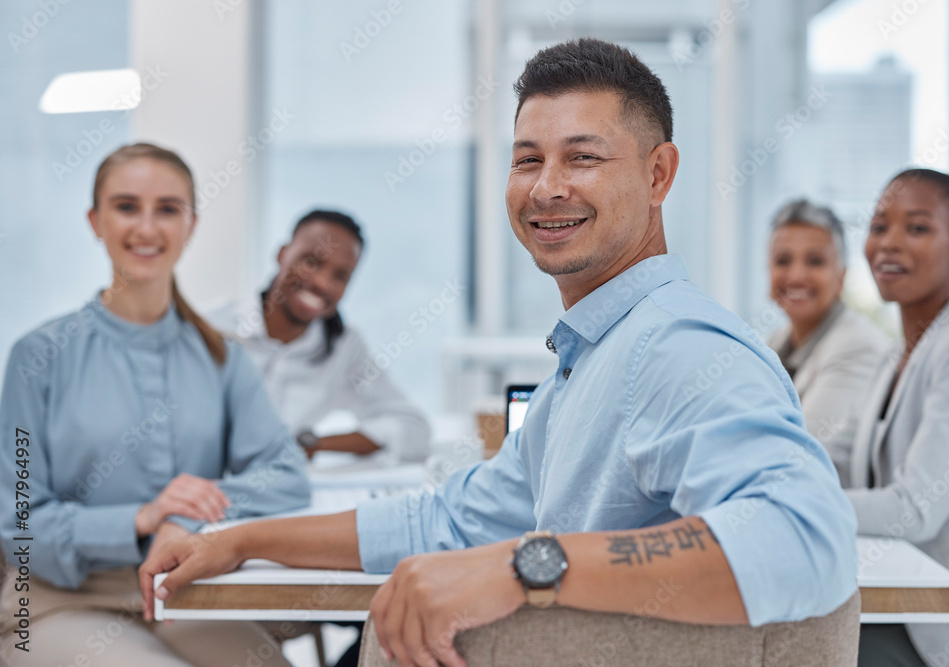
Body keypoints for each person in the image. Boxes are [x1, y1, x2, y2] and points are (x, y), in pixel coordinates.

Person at [140, 39, 858, 667]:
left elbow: (800, 536)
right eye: (527, 160)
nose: (547, 187)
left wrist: (526, 565)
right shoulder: (585, 366)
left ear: (658, 174)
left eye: (583, 157)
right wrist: (241, 538)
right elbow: (443, 521)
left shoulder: (677, 344)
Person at [0, 143, 310, 666]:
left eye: (167, 209)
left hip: (185, 596)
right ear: (95, 221)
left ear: (190, 225)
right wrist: (142, 518)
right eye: (126, 206)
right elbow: (20, 527)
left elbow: (285, 475)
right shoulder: (38, 358)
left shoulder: (222, 357)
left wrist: (185, 521)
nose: (147, 228)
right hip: (59, 603)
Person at [838, 169, 949, 667]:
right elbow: (841, 457)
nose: (889, 244)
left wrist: (797, 502)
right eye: (879, 226)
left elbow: (915, 508)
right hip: (902, 600)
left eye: (917, 228)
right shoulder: (898, 352)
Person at [208, 209, 430, 463]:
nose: (322, 283)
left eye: (340, 276)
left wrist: (310, 444)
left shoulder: (344, 348)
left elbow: (414, 430)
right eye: (311, 262)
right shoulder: (210, 326)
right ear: (282, 255)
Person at [766, 199, 888, 478]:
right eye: (782, 260)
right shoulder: (776, 341)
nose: (796, 275)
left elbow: (802, 457)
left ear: (841, 276)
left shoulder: (858, 347)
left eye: (815, 261)